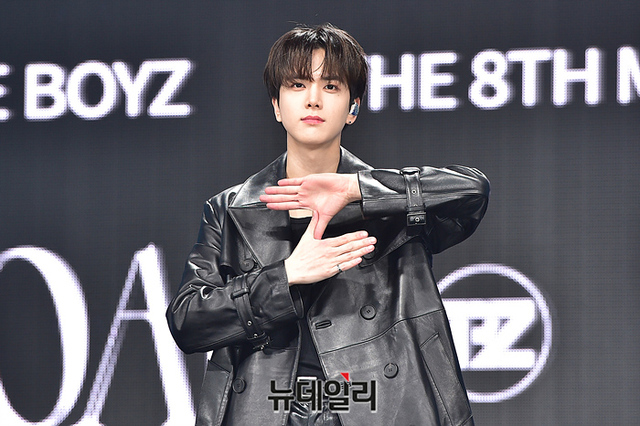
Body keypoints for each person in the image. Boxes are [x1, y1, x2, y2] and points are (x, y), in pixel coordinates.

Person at [167, 23, 489, 426]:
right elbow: (187, 322)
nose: (313, 99)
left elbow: (472, 190)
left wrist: (356, 189)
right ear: (276, 106)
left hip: (376, 407)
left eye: (331, 86)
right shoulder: (228, 210)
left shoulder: (391, 208)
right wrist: (285, 276)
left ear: (353, 108)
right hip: (269, 410)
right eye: (298, 85)